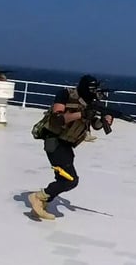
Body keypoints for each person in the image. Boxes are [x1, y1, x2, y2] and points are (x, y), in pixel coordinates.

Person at [28, 74, 113, 220]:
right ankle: (37, 197)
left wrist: (105, 120)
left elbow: (95, 125)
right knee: (70, 180)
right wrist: (81, 114)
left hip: (67, 145)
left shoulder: (89, 103)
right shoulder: (65, 94)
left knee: (62, 178)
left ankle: (42, 203)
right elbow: (57, 119)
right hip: (54, 141)